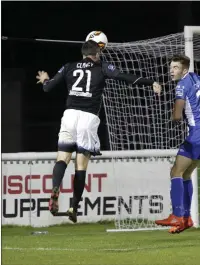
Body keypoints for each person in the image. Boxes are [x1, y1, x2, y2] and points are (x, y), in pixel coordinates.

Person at [36, 40, 161, 223]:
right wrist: (150, 82)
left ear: (83, 53)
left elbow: (47, 87)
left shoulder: (69, 66)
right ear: (96, 54)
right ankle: (74, 206)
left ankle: (55, 187)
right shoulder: (101, 67)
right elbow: (124, 77)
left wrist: (45, 79)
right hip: (88, 118)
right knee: (80, 166)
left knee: (62, 158)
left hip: (69, 116)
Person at [154, 55, 200, 234]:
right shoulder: (195, 77)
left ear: (184, 70)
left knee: (175, 171)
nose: (171, 70)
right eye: (171, 67)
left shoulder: (181, 86)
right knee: (186, 174)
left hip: (198, 132)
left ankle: (177, 215)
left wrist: (169, 112)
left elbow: (177, 117)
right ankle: (186, 219)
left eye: (176, 67)